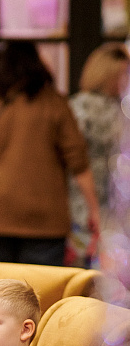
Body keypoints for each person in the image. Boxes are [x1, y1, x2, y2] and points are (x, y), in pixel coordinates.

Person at [0, 40, 100, 266]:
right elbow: (79, 162)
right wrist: (94, 209)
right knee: (41, 286)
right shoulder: (55, 103)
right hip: (45, 220)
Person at [67, 42, 130, 267]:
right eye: (123, 74)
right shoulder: (79, 108)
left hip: (116, 206)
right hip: (82, 205)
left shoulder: (123, 108)